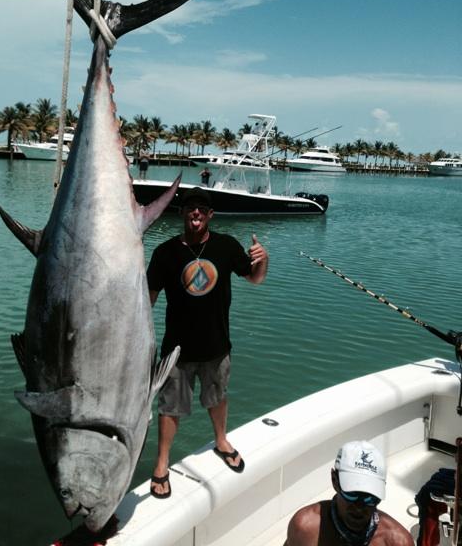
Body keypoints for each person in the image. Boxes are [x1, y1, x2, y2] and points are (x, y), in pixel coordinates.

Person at [147, 186, 268, 498]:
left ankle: (221, 440)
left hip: (217, 346)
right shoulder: (165, 253)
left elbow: (255, 278)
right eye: (190, 208)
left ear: (210, 215)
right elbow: (146, 302)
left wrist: (262, 259)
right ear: (182, 213)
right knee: (169, 407)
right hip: (176, 350)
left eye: (202, 208)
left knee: (218, 398)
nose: (196, 212)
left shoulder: (226, 246)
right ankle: (162, 463)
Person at [284, 440, 413, 546]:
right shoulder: (305, 528)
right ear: (335, 481)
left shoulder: (399, 542)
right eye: (352, 494)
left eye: (370, 497)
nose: (359, 507)